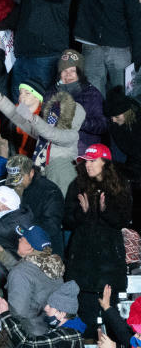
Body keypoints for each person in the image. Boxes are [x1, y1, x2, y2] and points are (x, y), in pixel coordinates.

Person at [62, 144, 132, 340]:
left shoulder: (119, 185)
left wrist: (105, 210)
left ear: (105, 163)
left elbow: (124, 220)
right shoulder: (77, 185)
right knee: (86, 319)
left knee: (112, 317)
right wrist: (82, 214)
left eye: (93, 161)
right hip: (84, 265)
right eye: (86, 161)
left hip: (109, 264)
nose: (88, 165)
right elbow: (66, 220)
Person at [0, 76, 83, 195]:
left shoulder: (71, 135)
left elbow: (51, 134)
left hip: (60, 175)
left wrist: (32, 118)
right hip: (40, 172)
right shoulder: (44, 130)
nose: (56, 115)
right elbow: (20, 120)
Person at [11, 0, 71, 102]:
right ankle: (19, 128)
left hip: (47, 57)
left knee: (43, 103)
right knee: (19, 104)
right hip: (23, 55)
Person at [46, 49, 106, 155]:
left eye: (73, 71)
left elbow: (102, 125)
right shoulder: (51, 92)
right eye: (64, 70)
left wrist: (80, 122)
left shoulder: (92, 94)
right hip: (55, 148)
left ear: (80, 73)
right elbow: (44, 118)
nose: (68, 75)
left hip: (82, 150)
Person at [0, 281, 86, 348]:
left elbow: (26, 344)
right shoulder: (70, 331)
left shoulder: (66, 337)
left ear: (61, 314)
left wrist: (5, 314)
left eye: (50, 306)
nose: (46, 308)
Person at [3, 154, 64, 255]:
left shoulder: (49, 191)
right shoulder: (13, 187)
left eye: (19, 178)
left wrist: (24, 227)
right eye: (12, 178)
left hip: (44, 250)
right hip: (20, 245)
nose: (16, 183)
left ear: (31, 173)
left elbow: (52, 226)